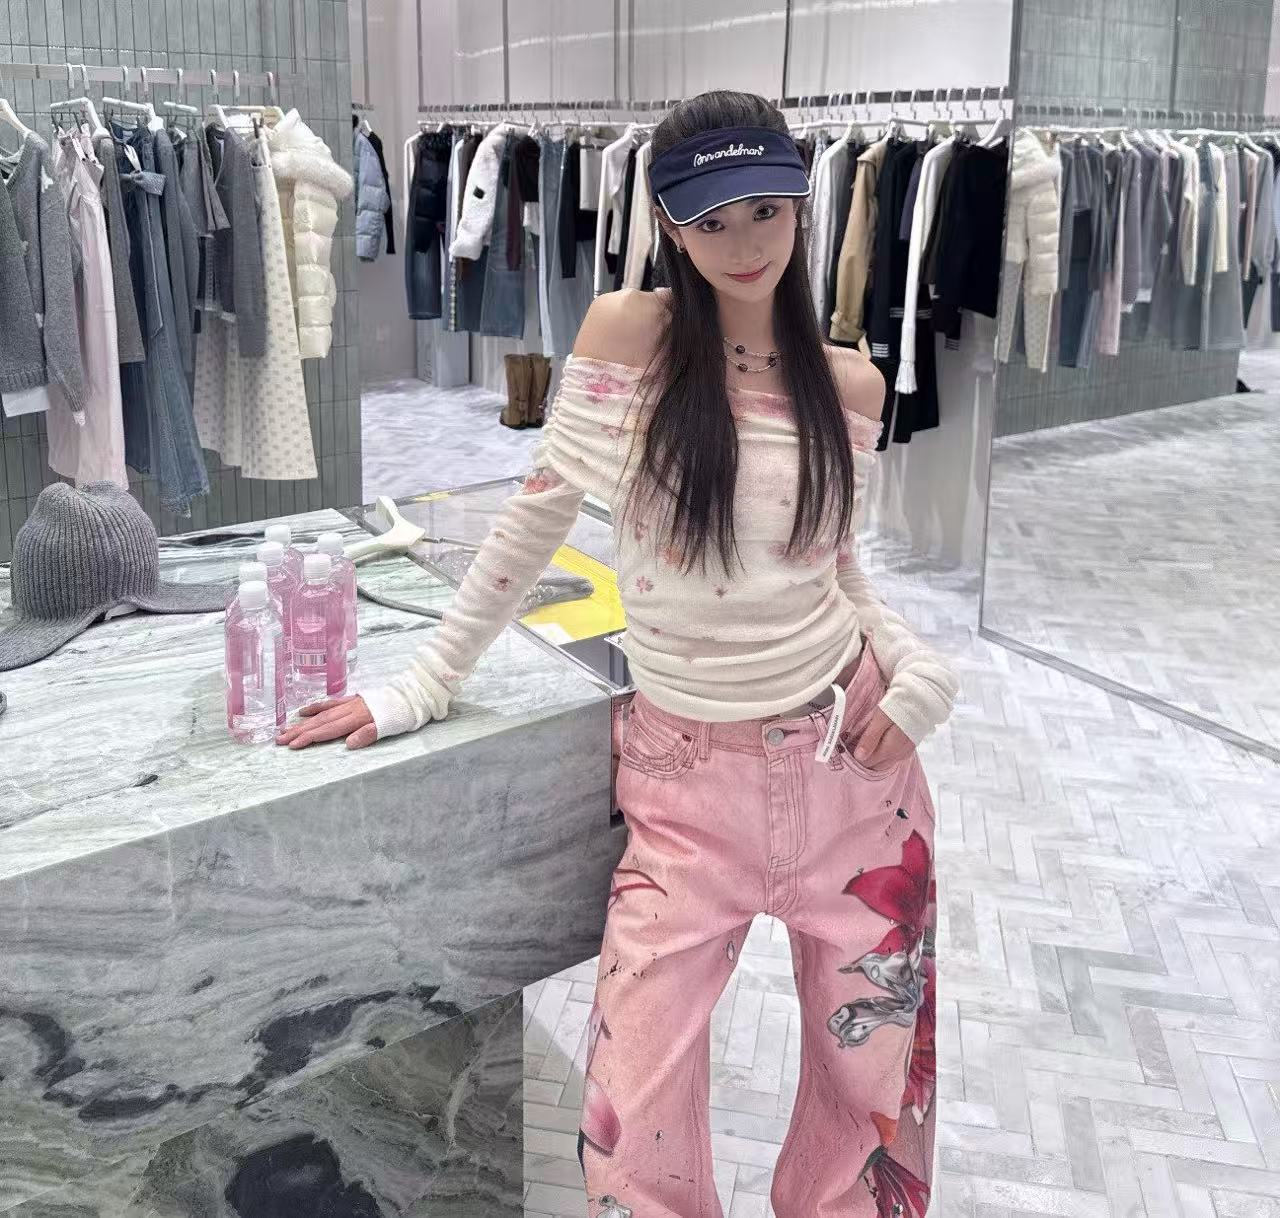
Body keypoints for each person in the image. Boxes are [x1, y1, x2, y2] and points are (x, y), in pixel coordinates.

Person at [277, 90, 958, 1218]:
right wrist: (424, 683)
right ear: (670, 226)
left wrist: (918, 667)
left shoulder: (848, 383)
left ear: (802, 205)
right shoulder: (626, 337)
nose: (743, 244)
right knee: (631, 1109)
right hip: (685, 780)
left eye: (765, 210)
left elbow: (836, 568)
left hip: (854, 766)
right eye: (710, 220)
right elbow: (531, 522)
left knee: (870, 1095)